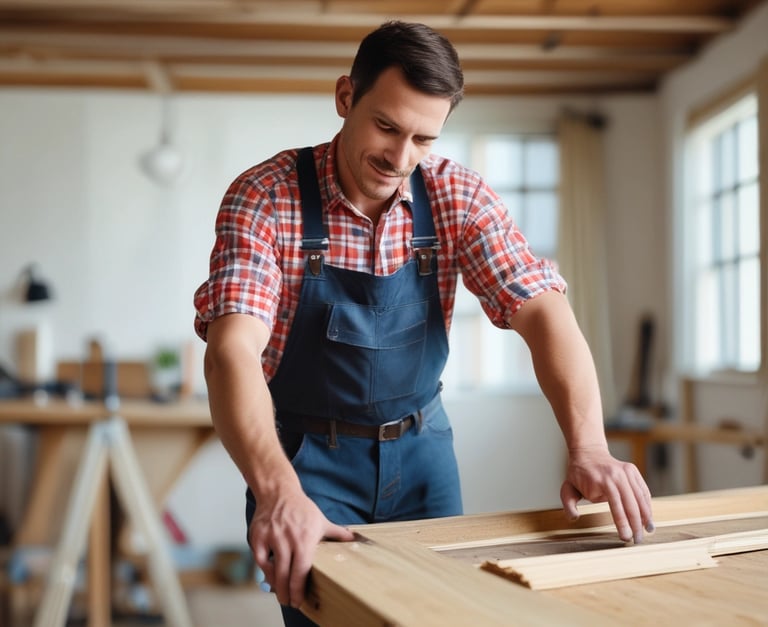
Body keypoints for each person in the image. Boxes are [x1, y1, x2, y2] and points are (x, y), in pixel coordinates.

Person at [193, 20, 654, 627]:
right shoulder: (266, 196)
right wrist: (278, 492)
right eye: (386, 126)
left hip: (422, 453)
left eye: (423, 138)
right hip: (305, 463)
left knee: (440, 615)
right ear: (345, 97)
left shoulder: (456, 195)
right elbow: (231, 350)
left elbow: (544, 310)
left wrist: (590, 447)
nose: (400, 157)